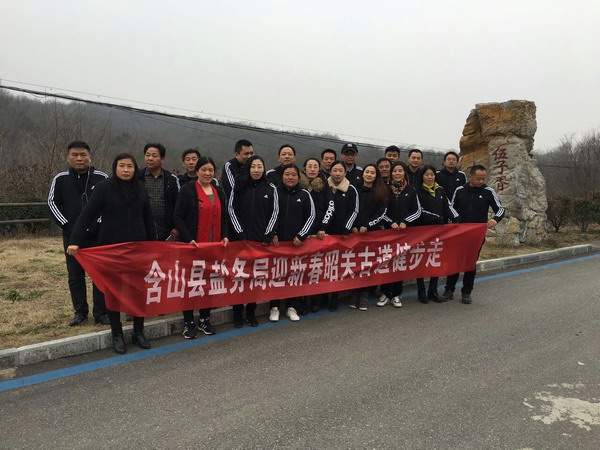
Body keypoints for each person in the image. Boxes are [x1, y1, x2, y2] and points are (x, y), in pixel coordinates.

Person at [66, 153, 157, 354]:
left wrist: (154, 245)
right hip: (112, 249)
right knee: (114, 292)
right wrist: (74, 241)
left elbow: (148, 219)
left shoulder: (141, 188)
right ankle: (117, 334)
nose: (126, 170)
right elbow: (87, 214)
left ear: (135, 169)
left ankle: (138, 331)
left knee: (138, 291)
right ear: (115, 168)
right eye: (122, 166)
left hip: (138, 248)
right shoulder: (104, 188)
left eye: (130, 166)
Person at [48, 141, 109, 326]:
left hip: (98, 235)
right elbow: (52, 203)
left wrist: (98, 224)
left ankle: (101, 313)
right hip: (71, 236)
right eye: (75, 155)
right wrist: (68, 226)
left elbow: (109, 203)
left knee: (100, 275)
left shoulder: (102, 178)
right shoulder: (60, 179)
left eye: (83, 155)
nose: (79, 158)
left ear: (90, 157)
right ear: (68, 157)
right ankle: (80, 312)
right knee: (75, 276)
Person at [174, 157, 229, 338]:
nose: (207, 173)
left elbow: (224, 216)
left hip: (213, 247)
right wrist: (188, 238)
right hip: (193, 246)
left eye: (210, 170)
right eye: (204, 169)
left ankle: (205, 319)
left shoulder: (218, 190)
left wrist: (225, 235)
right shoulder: (187, 189)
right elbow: (178, 216)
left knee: (208, 283)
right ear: (197, 171)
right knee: (190, 284)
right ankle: (188, 321)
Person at [228, 155, 278, 327]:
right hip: (240, 241)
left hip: (260, 242)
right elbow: (231, 209)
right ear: (248, 169)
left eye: (259, 166)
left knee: (255, 278)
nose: (256, 170)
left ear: (264, 169)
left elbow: (274, 213)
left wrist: (268, 235)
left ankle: (251, 311)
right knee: (238, 277)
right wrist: (239, 232)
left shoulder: (270, 188)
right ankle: (237, 312)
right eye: (253, 167)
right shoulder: (239, 186)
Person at [442, 165, 505, 304]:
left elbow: (500, 209)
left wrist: (495, 219)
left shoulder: (488, 191)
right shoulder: (460, 190)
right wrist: (453, 222)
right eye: (478, 179)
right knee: (455, 261)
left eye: (483, 179)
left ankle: (466, 292)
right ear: (470, 177)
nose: (481, 181)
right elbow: (451, 208)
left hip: (476, 234)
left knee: (470, 262)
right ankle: (449, 290)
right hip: (459, 233)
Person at [269, 164, 315, 323]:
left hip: (296, 243)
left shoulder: (305, 194)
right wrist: (272, 233)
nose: (290, 177)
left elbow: (311, 216)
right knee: (276, 274)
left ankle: (291, 307)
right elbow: (269, 214)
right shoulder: (275, 192)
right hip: (277, 243)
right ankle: (274, 307)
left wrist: (302, 235)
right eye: (287, 174)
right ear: (282, 176)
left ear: (298, 177)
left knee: (294, 275)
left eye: (294, 175)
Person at [378, 161, 423, 308]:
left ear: (404, 173)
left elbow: (417, 210)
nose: (397, 173)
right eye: (395, 171)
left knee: (399, 262)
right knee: (386, 262)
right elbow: (380, 210)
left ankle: (396, 294)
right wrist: (390, 222)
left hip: (404, 232)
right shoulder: (384, 189)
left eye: (400, 170)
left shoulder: (411, 190)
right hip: (387, 231)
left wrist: (405, 222)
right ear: (391, 173)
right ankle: (385, 293)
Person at [414, 165, 458, 303]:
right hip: (422, 231)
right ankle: (421, 290)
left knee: (435, 260)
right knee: (421, 261)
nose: (429, 177)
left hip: (439, 231)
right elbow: (418, 210)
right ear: (422, 176)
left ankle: (432, 290)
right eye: (426, 175)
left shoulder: (440, 190)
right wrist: (435, 217)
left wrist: (456, 218)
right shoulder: (416, 190)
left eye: (432, 175)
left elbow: (447, 206)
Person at [350, 164, 389, 310]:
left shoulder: (380, 191)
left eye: (372, 173)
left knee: (367, 265)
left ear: (376, 176)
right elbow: (349, 208)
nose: (369, 175)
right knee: (354, 264)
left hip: (371, 233)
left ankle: (364, 294)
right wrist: (352, 225)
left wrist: (367, 225)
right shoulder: (354, 189)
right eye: (367, 172)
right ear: (363, 174)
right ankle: (354, 293)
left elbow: (381, 212)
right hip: (354, 233)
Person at [299, 157, 335, 313]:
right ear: (304, 168)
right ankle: (301, 301)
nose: (312, 169)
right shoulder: (298, 185)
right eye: (309, 166)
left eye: (315, 166)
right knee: (301, 270)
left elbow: (330, 207)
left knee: (317, 269)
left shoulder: (324, 186)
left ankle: (316, 300)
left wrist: (323, 227)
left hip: (319, 234)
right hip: (301, 235)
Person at [324, 160, 359, 310]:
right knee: (324, 266)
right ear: (330, 171)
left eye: (340, 171)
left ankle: (334, 297)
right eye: (335, 170)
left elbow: (354, 211)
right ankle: (322, 297)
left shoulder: (351, 189)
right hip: (324, 234)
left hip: (342, 234)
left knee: (337, 266)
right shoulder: (324, 187)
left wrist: (346, 228)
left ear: (345, 173)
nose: (337, 173)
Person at [139, 143, 180, 241]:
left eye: (154, 156)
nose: (150, 158)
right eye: (147, 155)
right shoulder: (137, 177)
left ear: (162, 159)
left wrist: (177, 227)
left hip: (166, 233)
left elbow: (179, 206)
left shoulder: (171, 179)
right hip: (141, 231)